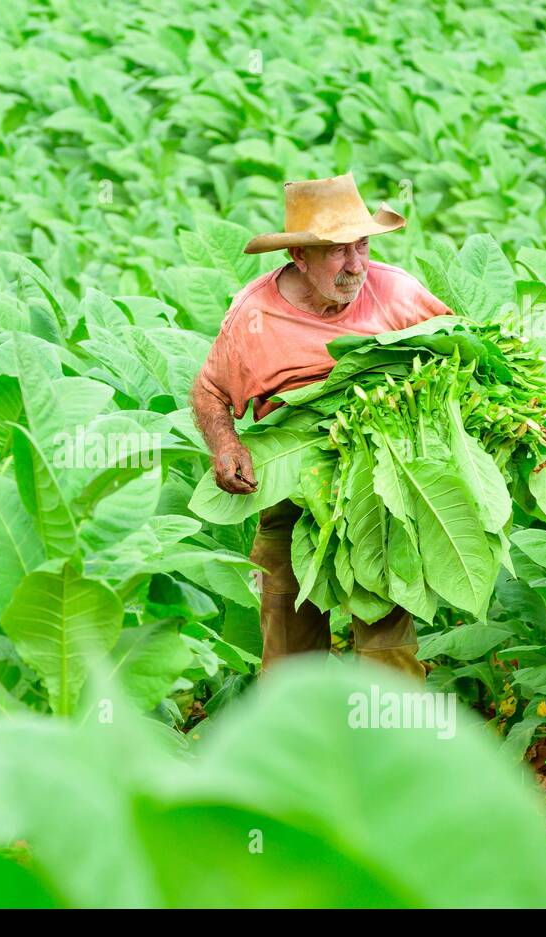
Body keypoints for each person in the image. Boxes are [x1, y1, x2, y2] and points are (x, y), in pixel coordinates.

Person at [190, 173, 450, 678]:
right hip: (291, 486)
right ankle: (297, 750)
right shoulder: (254, 315)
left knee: (386, 648)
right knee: (289, 649)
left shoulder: (396, 293)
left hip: (381, 488)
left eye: (362, 246)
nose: (355, 266)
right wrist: (225, 445)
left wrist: (526, 429)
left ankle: (396, 753)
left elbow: (463, 359)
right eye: (336, 252)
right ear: (299, 257)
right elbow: (210, 390)